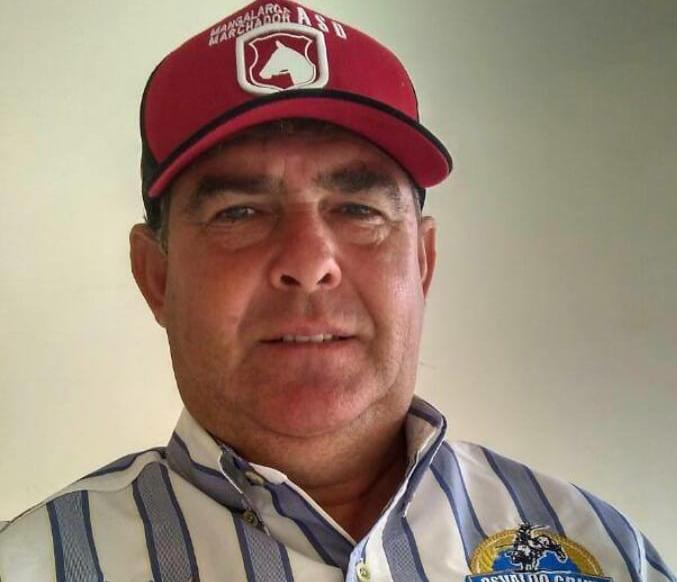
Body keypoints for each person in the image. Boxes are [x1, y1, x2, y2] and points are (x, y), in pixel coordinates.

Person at [0, 1, 673, 580]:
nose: (309, 260)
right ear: (156, 276)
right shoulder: (32, 562)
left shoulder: (604, 548)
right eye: (239, 211)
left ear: (423, 263)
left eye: (358, 209)